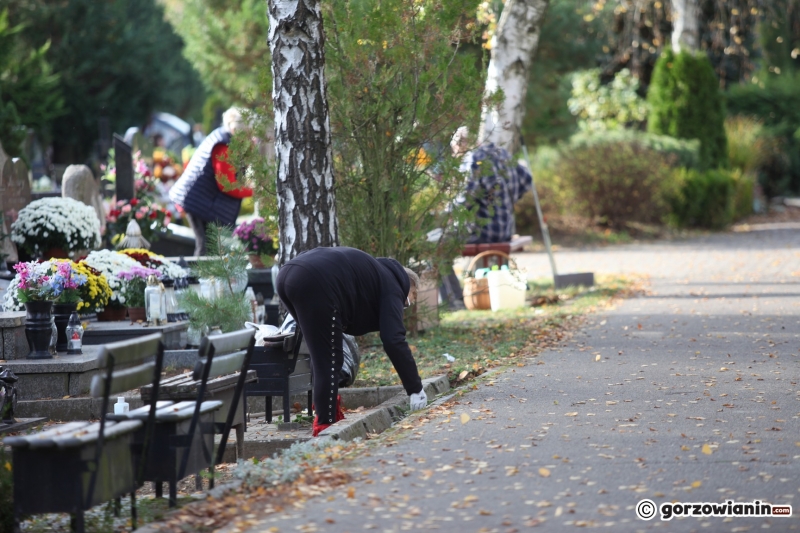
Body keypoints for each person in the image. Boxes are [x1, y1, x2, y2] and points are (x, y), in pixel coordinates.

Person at [275, 246, 428, 436]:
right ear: (410, 286)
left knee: (322, 354)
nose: (411, 301)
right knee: (328, 360)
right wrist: (415, 389)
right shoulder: (394, 286)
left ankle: (327, 411)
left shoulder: (374, 275)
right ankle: (325, 428)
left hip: (286, 276)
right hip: (315, 280)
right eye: (414, 295)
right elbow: (393, 339)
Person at [169, 107, 253, 256]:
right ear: (235, 130)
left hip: (203, 201)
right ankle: (199, 279)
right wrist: (253, 190)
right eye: (246, 134)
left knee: (211, 250)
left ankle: (206, 278)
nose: (249, 138)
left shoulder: (224, 138)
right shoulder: (223, 146)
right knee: (205, 249)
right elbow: (227, 185)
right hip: (198, 202)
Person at [451, 127, 532, 243]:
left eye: (454, 149)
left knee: (442, 243)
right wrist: (508, 200)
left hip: (486, 233)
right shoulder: (501, 152)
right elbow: (527, 178)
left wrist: (448, 214)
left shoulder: (473, 159)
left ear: (461, 144)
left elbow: (466, 199)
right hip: (507, 230)